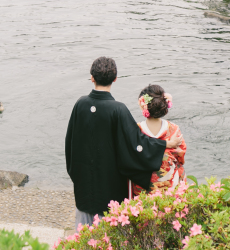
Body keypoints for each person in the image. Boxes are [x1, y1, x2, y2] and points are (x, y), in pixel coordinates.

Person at [65, 57, 183, 230]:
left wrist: (76, 174)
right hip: (109, 185)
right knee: (107, 234)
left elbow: (70, 143)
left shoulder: (80, 104)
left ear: (92, 77)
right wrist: (165, 144)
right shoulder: (118, 109)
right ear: (115, 79)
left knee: (83, 234)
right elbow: (136, 144)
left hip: (84, 183)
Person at [131, 84, 186, 196]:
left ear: (143, 106)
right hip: (169, 186)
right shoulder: (173, 129)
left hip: (143, 189)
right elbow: (181, 156)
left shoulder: (136, 130)